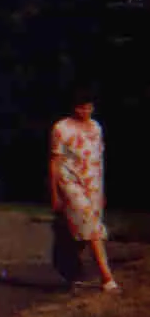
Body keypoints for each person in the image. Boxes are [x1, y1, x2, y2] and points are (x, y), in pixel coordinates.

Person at [50, 91, 118, 292]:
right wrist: (54, 193)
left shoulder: (96, 127)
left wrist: (101, 190)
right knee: (91, 228)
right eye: (81, 107)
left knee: (81, 231)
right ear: (73, 107)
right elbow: (55, 161)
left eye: (89, 107)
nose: (85, 111)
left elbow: (98, 159)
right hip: (69, 181)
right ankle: (107, 278)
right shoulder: (61, 128)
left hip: (93, 183)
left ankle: (73, 274)